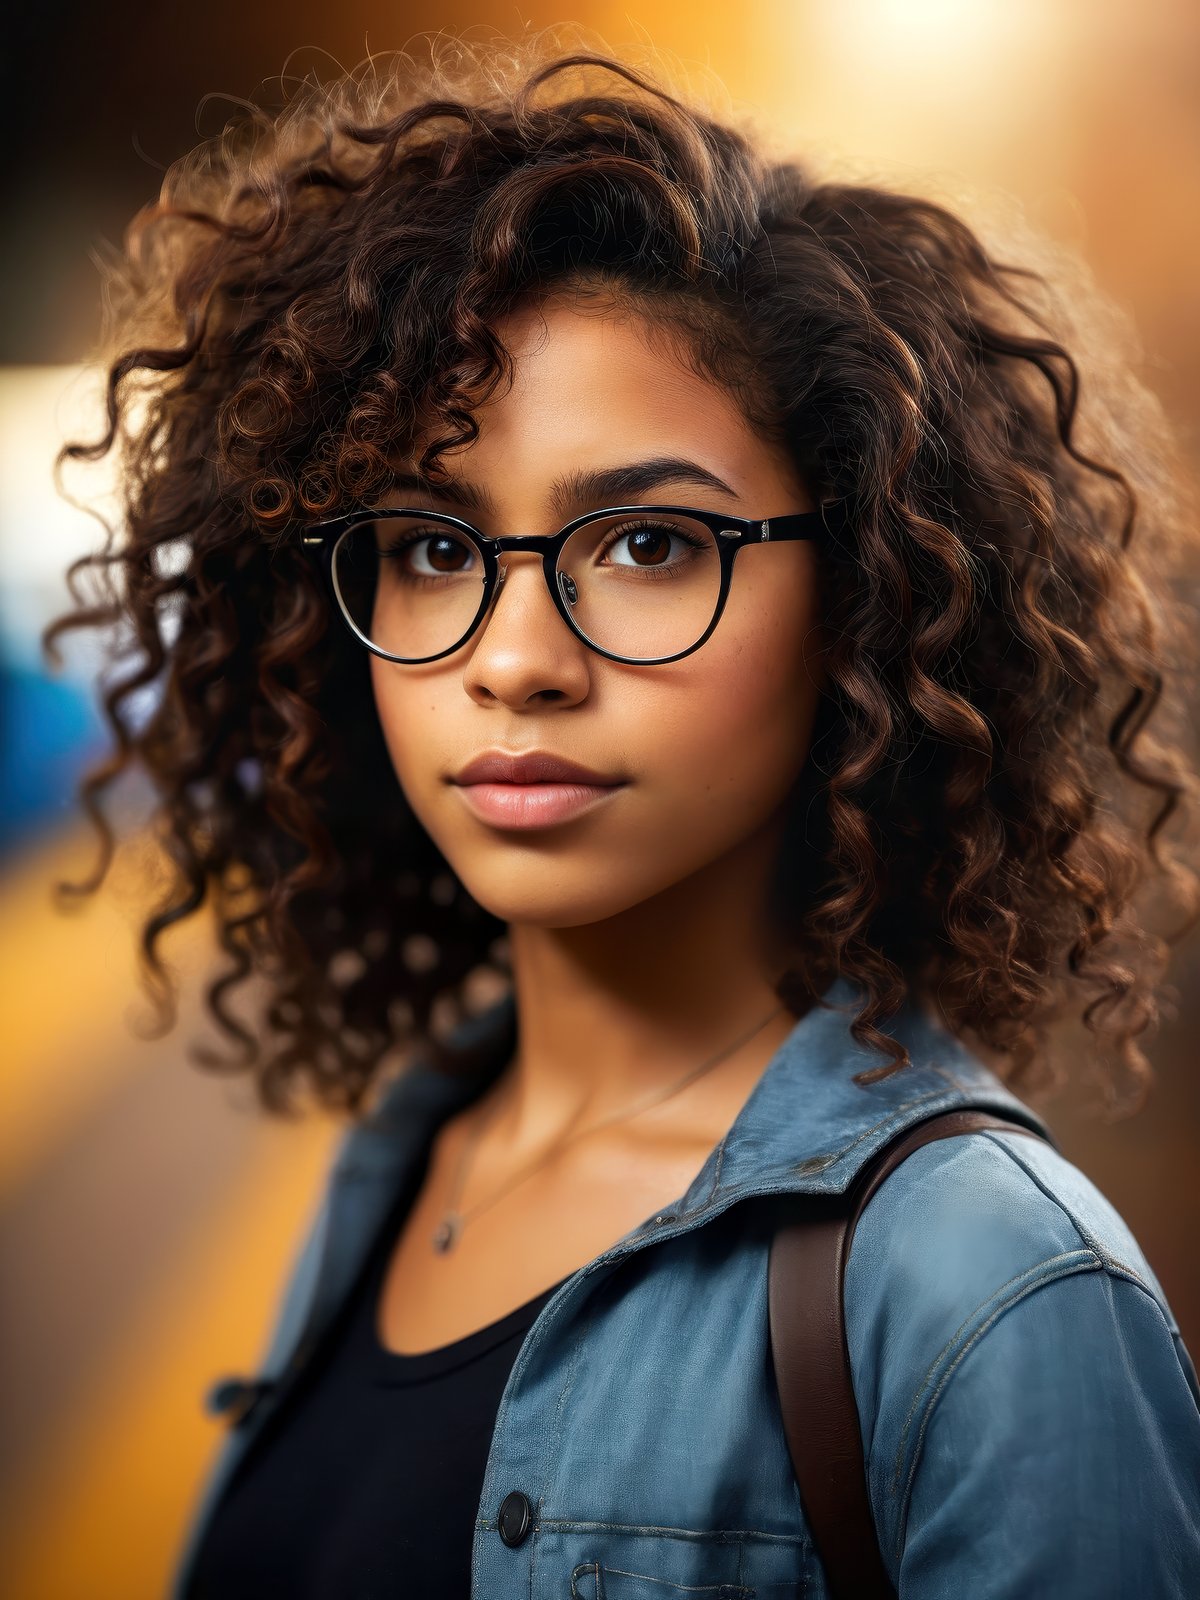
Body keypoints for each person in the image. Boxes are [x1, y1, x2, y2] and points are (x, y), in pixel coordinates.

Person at [43, 28, 1200, 1600]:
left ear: (866, 597)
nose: (516, 662)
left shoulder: (985, 1291)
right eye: (435, 549)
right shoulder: (410, 1158)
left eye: (650, 544)